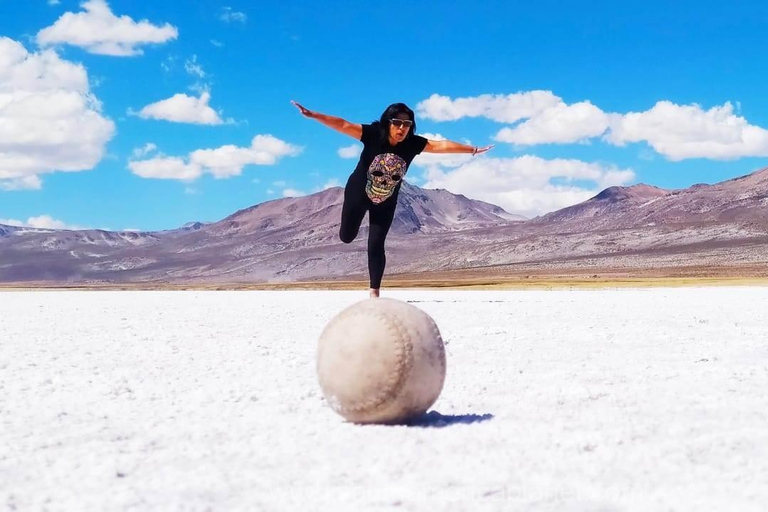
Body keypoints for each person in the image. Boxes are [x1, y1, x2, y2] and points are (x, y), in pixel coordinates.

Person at [292, 101, 493, 298]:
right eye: (397, 122)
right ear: (388, 122)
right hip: (358, 193)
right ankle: (347, 230)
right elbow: (343, 125)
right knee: (347, 236)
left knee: (377, 244)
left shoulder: (413, 144)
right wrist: (313, 115)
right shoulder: (372, 134)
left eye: (407, 124)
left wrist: (472, 149)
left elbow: (441, 145)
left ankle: (374, 293)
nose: (402, 128)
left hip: (386, 200)